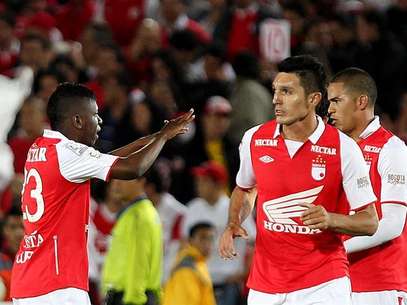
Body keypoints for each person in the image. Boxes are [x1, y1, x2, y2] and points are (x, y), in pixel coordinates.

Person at [10, 82, 194, 305]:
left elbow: (109, 158)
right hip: (57, 284)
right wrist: (163, 138)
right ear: (77, 120)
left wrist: (157, 136)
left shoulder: (41, 147)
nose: (100, 121)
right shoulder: (68, 155)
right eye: (95, 115)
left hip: (27, 281)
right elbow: (132, 168)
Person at [218, 55, 379, 305]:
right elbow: (246, 189)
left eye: (287, 92)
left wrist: (330, 219)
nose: (276, 100)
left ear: (313, 99)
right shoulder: (254, 139)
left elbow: (370, 221)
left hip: (323, 284)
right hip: (266, 285)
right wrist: (232, 222)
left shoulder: (344, 148)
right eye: (275, 91)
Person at [327, 67, 407, 305]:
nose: (330, 109)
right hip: (337, 282)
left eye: (337, 101)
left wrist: (337, 249)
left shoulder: (392, 149)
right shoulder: (336, 150)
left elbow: (393, 224)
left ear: (361, 102)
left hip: (379, 285)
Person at [183, 161, 255, 305]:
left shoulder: (235, 208)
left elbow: (254, 242)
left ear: (218, 184)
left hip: (227, 281)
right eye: (198, 180)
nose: (198, 185)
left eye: (204, 181)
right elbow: (184, 243)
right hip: (199, 279)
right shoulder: (193, 208)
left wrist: (244, 273)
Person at [102, 178, 162, 305]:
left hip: (131, 298)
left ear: (141, 181)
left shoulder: (138, 216)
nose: (116, 184)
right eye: (114, 179)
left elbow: (139, 263)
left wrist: (133, 300)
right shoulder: (142, 212)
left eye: (123, 179)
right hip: (133, 296)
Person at [163, 222, 217, 305]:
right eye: (203, 238)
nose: (207, 243)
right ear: (190, 240)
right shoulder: (186, 269)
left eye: (211, 238)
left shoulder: (198, 263)